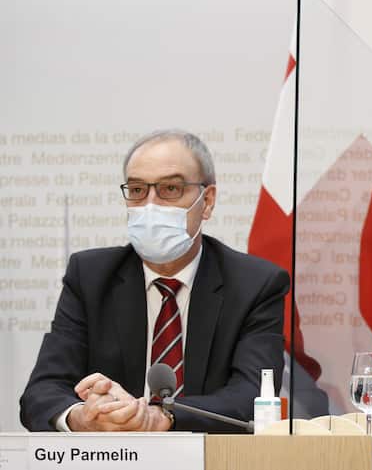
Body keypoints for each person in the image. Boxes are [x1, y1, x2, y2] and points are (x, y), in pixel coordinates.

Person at [20, 129, 288, 433]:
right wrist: (81, 416)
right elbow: (41, 392)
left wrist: (161, 416)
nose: (150, 205)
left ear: (207, 200)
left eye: (170, 188)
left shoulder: (255, 284)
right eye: (136, 190)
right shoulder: (91, 276)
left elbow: (252, 398)